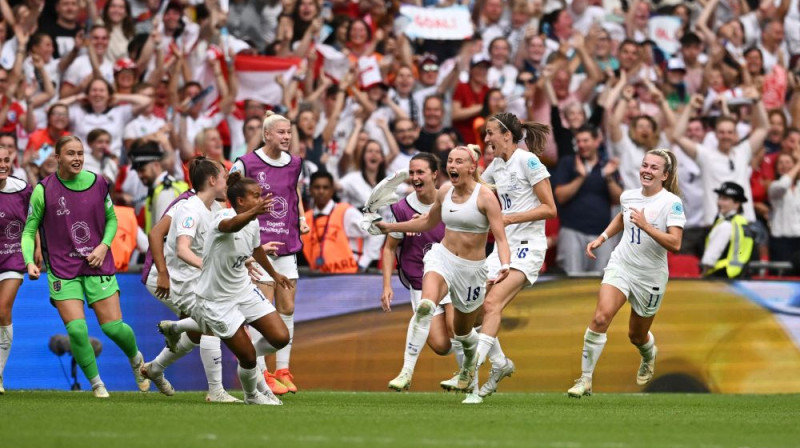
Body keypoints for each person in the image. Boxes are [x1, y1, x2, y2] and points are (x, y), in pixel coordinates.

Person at [375, 144, 511, 404]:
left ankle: (471, 374)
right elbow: (427, 222)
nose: (452, 166)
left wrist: (504, 265)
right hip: (442, 258)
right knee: (425, 306)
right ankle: (406, 372)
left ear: (472, 167)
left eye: (459, 161)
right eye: (450, 161)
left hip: (471, 270)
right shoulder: (446, 192)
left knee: (461, 333)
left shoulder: (485, 197)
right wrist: (389, 227)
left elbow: (501, 239)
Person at [21, 135, 150, 398]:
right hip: (61, 269)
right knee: (77, 330)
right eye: (70, 153)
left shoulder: (98, 182)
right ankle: (97, 384)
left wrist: (103, 246)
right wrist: (28, 261)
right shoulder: (43, 190)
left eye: (80, 153)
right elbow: (28, 230)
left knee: (113, 328)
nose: (77, 158)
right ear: (57, 158)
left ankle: (136, 359)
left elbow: (112, 219)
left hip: (97, 264)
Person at [567, 148, 685, 398]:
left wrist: (646, 226)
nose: (647, 171)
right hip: (622, 264)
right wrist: (603, 237)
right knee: (600, 318)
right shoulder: (628, 196)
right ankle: (585, 380)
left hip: (650, 276)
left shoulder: (671, 203)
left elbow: (675, 244)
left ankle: (648, 353)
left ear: (665, 175)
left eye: (654, 167)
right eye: (645, 165)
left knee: (636, 334)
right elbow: (623, 217)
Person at [470, 113, 557, 401]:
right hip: (503, 247)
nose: (487, 140)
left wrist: (509, 218)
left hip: (528, 246)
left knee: (492, 302)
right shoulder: (496, 166)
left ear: (507, 135)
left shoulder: (529, 161)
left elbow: (549, 209)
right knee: (474, 311)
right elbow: (477, 191)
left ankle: (470, 371)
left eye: (490, 133)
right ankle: (500, 365)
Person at [141, 157, 241, 402]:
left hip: (191, 277)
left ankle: (155, 367)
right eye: (225, 176)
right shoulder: (185, 204)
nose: (227, 182)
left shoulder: (215, 206)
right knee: (213, 324)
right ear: (211, 180)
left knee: (201, 331)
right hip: (167, 277)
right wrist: (163, 273)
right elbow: (155, 233)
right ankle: (216, 391)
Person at [191, 172, 293, 405]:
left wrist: (274, 274)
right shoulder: (222, 218)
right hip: (216, 300)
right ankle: (252, 395)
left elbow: (256, 248)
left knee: (280, 337)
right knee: (247, 357)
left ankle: (247, 358)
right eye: (255, 196)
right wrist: (252, 214)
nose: (260, 200)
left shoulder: (254, 222)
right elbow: (230, 226)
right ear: (240, 201)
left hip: (243, 290)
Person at [231, 111, 310, 394]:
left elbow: (293, 193)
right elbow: (231, 199)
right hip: (258, 248)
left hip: (287, 244)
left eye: (288, 132)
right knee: (262, 312)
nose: (286, 137)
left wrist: (301, 217)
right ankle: (262, 372)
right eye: (280, 132)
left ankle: (283, 369)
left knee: (287, 307)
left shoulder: (295, 164)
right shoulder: (246, 163)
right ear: (266, 135)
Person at [382, 153, 464, 391]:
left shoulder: (452, 200)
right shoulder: (401, 208)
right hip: (419, 279)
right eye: (412, 173)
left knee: (455, 326)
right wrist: (387, 285)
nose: (415, 177)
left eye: (421, 172)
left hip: (451, 275)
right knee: (440, 344)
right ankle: (476, 343)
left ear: (434, 175)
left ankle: (466, 378)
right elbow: (389, 249)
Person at [0, 145, 34, 394]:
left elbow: (33, 223)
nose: (3, 165)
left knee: (2, 310)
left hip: (13, 256)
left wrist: (36, 254)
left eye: (5, 160)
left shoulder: (22, 189)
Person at [301, 171, 367, 274]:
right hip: (317, 279)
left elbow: (375, 233)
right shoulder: (305, 218)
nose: (321, 191)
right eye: (317, 187)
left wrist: (363, 263)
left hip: (347, 277)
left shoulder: (345, 211)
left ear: (332, 191)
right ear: (310, 190)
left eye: (325, 187)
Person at [701, 182, 754, 278]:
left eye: (725, 199)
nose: (719, 202)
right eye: (719, 198)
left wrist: (703, 275)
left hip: (719, 277)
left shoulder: (726, 225)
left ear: (737, 204)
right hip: (740, 277)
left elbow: (710, 258)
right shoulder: (743, 223)